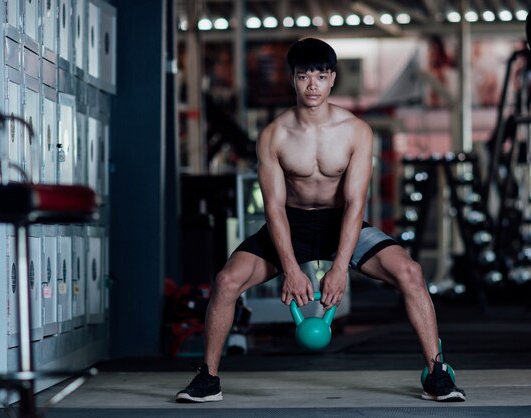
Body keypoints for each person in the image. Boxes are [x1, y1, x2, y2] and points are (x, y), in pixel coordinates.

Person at [175, 37, 466, 403]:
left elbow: (355, 202)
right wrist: (290, 268)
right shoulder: (274, 135)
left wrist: (340, 268)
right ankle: (208, 379)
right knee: (226, 281)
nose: (312, 85)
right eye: (303, 76)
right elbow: (275, 207)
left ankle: (437, 373)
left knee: (410, 273)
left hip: (341, 222)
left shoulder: (356, 131)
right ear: (291, 79)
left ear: (332, 79)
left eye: (320, 76)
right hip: (291, 224)